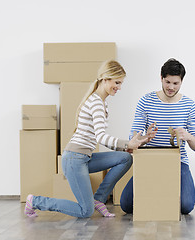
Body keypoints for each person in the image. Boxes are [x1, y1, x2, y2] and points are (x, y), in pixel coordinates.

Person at [24, 60, 155, 218]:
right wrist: (127, 143)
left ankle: (98, 199)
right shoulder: (96, 103)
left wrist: (137, 142)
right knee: (85, 211)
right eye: (117, 82)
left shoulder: (102, 103)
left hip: (85, 157)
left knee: (125, 158)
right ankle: (35, 201)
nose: (119, 87)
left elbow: (99, 137)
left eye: (121, 84)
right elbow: (101, 137)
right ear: (105, 79)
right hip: (74, 159)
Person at [120, 58, 195, 215]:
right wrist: (145, 138)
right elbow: (132, 140)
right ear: (161, 78)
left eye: (175, 83)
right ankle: (160, 189)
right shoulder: (145, 101)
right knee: (126, 205)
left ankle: (164, 190)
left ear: (181, 82)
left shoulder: (189, 105)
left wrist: (188, 136)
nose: (171, 87)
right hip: (150, 160)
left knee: (186, 206)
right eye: (167, 82)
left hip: (178, 162)